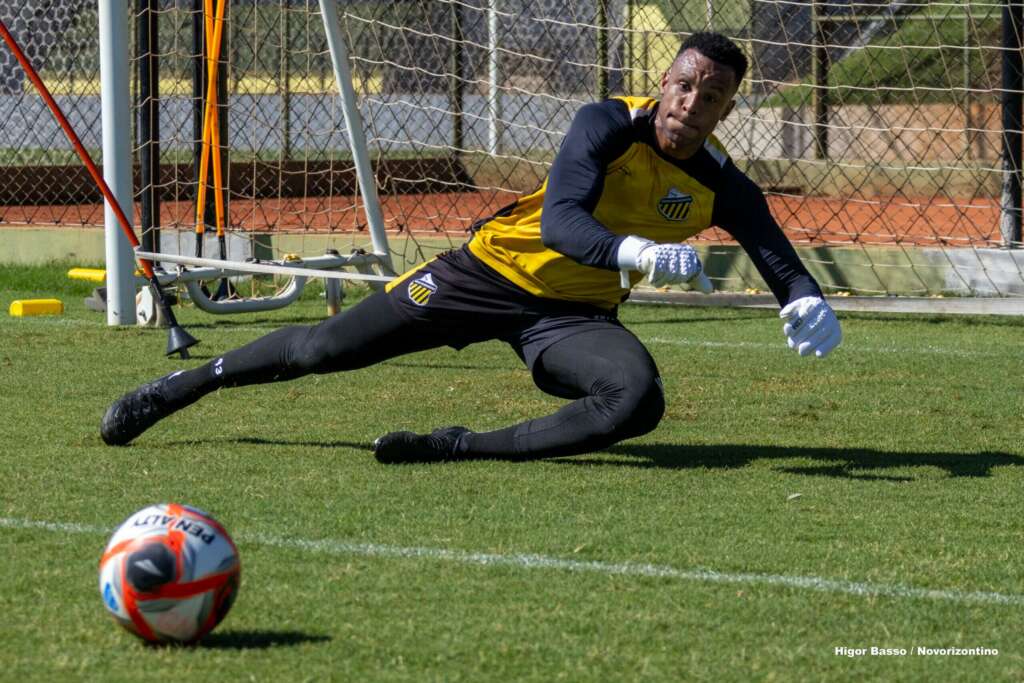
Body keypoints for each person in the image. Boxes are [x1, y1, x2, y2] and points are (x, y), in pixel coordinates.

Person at [101, 31, 841, 462]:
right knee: (322, 349)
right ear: (663, 82)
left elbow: (775, 252)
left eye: (710, 97)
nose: (691, 104)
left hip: (569, 317)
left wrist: (805, 297)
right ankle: (181, 387)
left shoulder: (721, 183)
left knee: (636, 401)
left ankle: (457, 446)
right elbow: (562, 226)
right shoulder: (605, 123)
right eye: (684, 86)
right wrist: (639, 252)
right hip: (483, 274)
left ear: (727, 109)